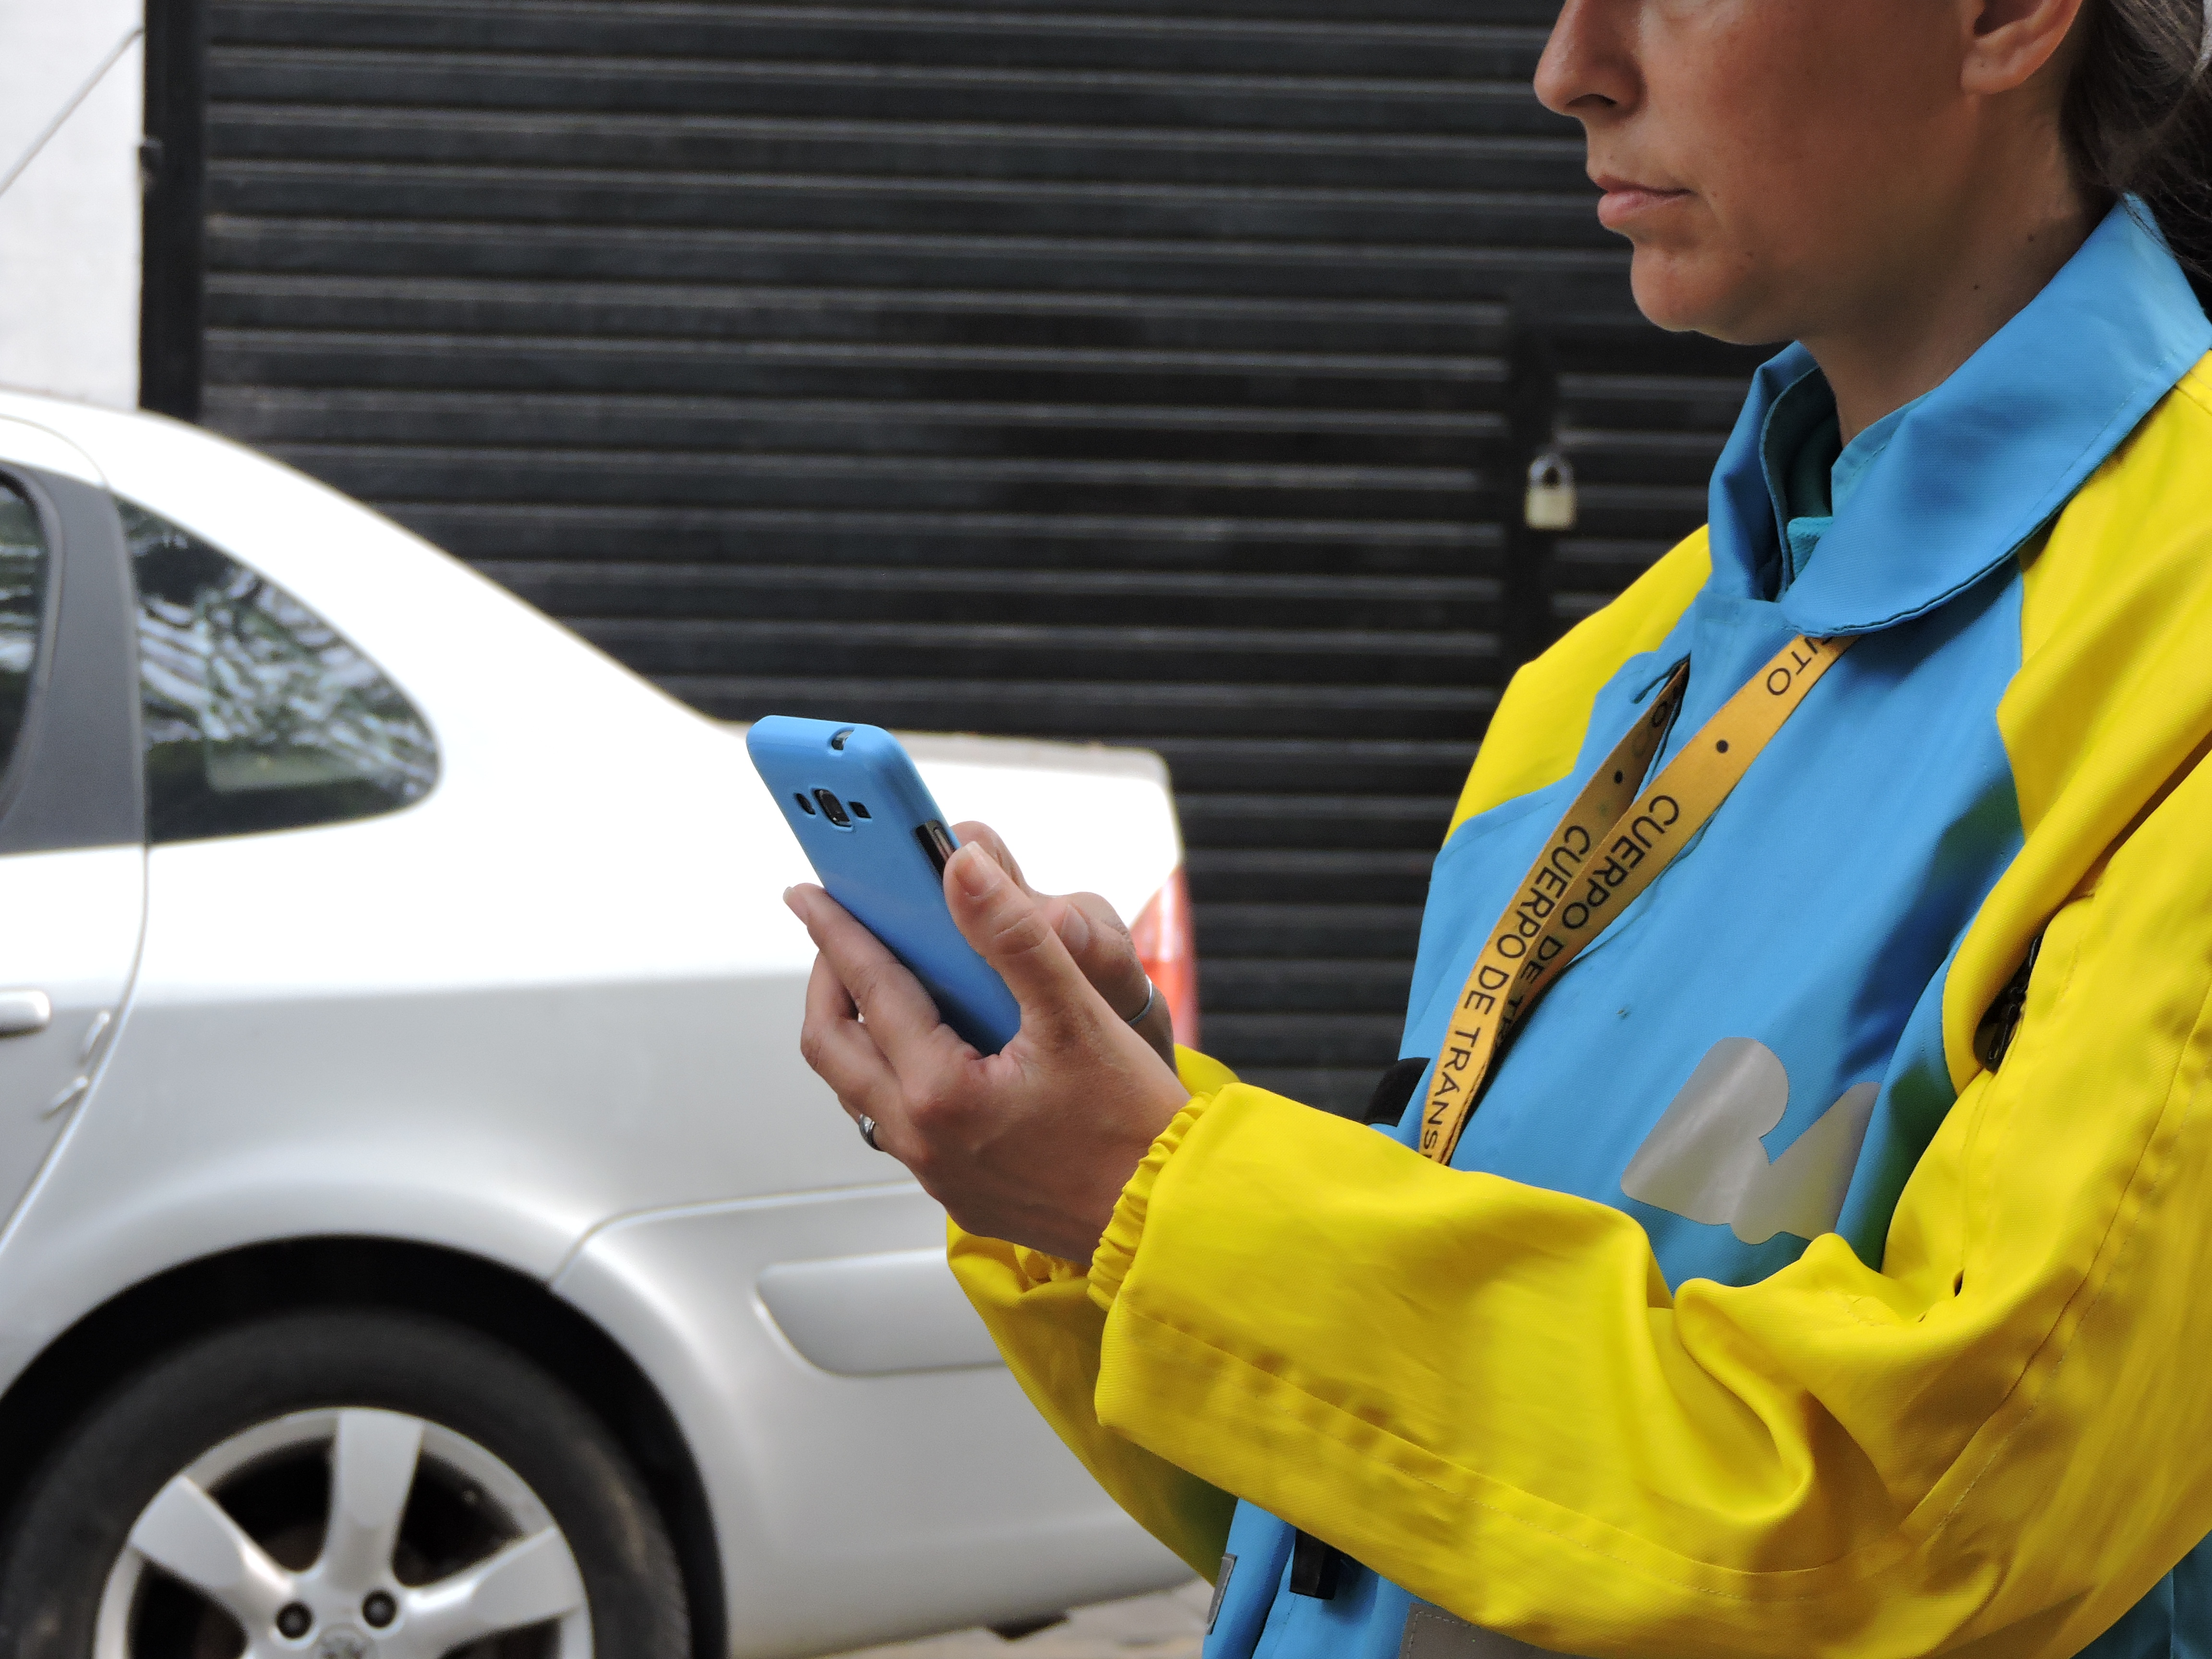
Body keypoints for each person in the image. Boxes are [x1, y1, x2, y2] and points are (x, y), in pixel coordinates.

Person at [783, 0, 2212, 1651]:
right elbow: (1369, 1524)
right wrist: (1102, 1173)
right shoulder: (1607, 682)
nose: (1570, 69)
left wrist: (1149, 1197)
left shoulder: (2170, 671)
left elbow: (1917, 1535)